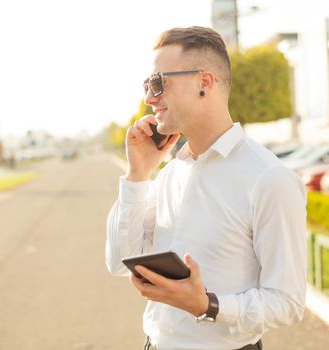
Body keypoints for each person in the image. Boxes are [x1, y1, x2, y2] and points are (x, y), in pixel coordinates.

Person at [106, 26, 307, 350]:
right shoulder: (170, 173)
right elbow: (119, 262)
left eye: (158, 83)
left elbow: (287, 302)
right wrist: (137, 174)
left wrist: (207, 306)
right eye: (147, 85)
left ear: (204, 82)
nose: (149, 98)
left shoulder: (269, 178)